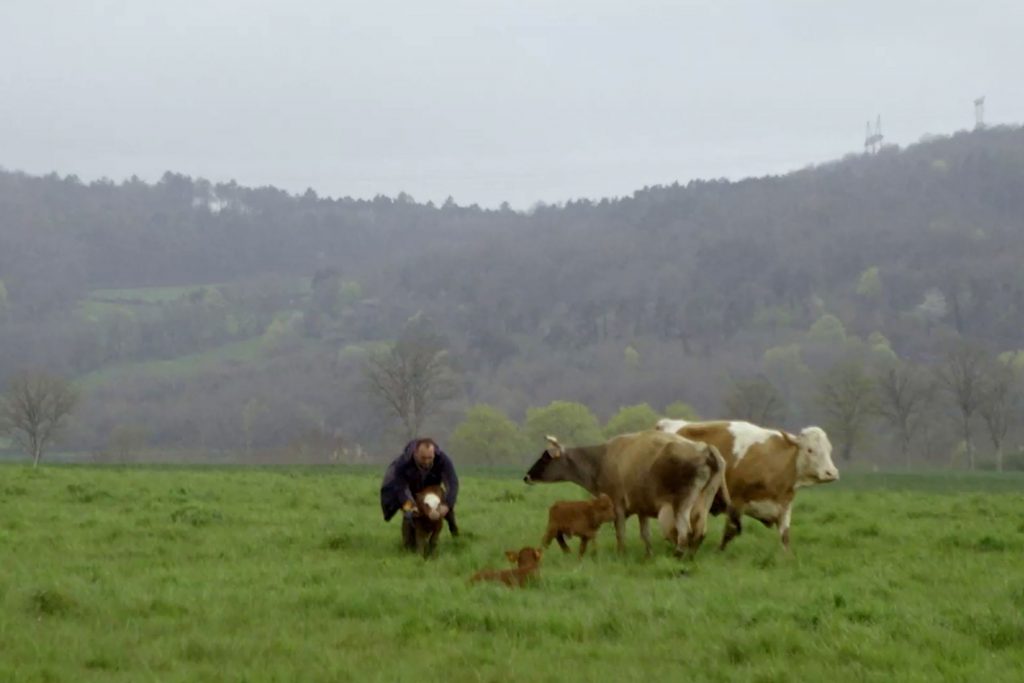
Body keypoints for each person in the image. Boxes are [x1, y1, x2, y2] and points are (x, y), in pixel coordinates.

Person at [380, 437, 460, 550]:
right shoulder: (402, 463)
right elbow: (400, 489)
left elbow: (452, 483)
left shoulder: (443, 460)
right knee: (409, 515)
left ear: (434, 454)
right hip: (409, 494)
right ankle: (409, 544)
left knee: (447, 509)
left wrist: (447, 505)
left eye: (430, 458)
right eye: (423, 458)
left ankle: (455, 536)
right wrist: (410, 506)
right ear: (415, 453)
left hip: (432, 491)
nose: (427, 461)